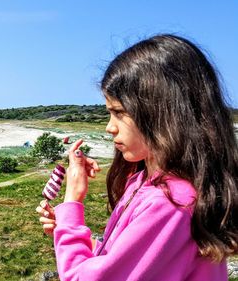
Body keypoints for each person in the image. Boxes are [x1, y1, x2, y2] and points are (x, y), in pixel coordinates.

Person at [36, 34, 237, 280]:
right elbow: (120, 263)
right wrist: (69, 231)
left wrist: (73, 199)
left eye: (119, 112)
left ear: (163, 112)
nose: (110, 127)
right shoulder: (145, 181)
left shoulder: (172, 203)